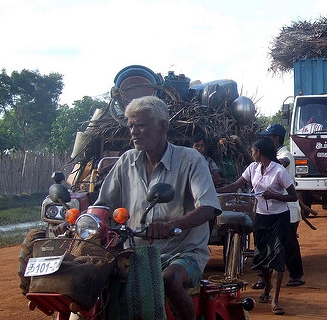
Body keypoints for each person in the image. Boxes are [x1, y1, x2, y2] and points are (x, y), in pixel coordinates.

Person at [95, 96, 221, 320]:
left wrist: (170, 226)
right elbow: (103, 205)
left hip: (183, 252)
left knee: (169, 278)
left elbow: (208, 207)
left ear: (163, 126)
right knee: (97, 277)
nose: (133, 131)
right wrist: (87, 222)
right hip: (135, 253)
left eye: (141, 125)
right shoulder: (126, 161)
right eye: (131, 125)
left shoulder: (190, 160)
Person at [217, 136, 298, 315]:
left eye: (252, 150)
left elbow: (294, 197)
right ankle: (268, 286)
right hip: (261, 217)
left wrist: (274, 195)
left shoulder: (279, 171)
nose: (251, 153)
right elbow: (236, 185)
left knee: (277, 257)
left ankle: (275, 300)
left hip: (279, 218)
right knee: (261, 256)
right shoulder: (253, 168)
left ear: (259, 152)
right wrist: (213, 192)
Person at [252, 124, 306, 289]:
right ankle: (265, 278)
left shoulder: (284, 154)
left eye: (267, 138)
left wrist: (271, 160)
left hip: (286, 209)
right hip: (271, 210)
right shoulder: (265, 160)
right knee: (267, 245)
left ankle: (297, 275)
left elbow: (285, 161)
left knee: (288, 245)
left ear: (275, 139)